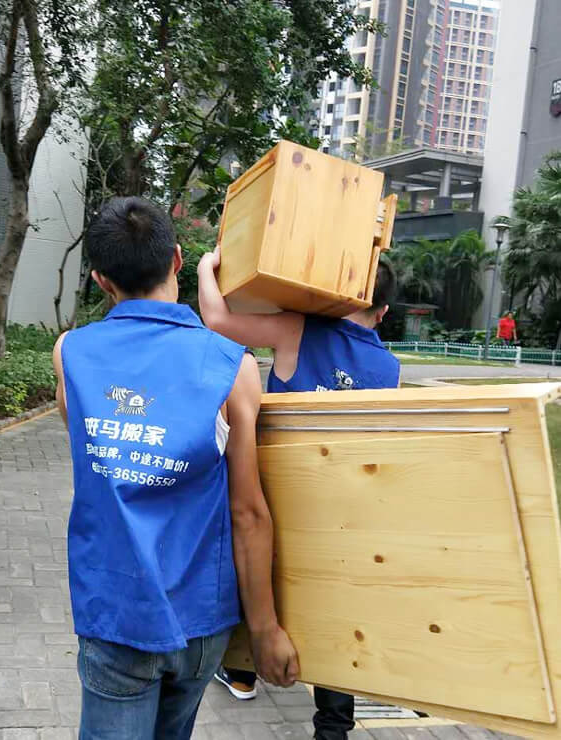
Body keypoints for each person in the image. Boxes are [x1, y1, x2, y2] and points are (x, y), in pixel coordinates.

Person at [52, 197, 299, 740]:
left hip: (116, 614)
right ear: (177, 260)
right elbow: (248, 511)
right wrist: (265, 629)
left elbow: (89, 450)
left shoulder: (70, 353)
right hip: (200, 621)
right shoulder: (233, 366)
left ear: (100, 280)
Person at [197, 246, 400, 740]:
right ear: (383, 312)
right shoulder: (389, 368)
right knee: (334, 607)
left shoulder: (298, 329)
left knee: (253, 571)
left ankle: (241, 671)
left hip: (275, 501)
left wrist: (206, 267)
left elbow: (217, 321)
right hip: (341, 512)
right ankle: (333, 726)